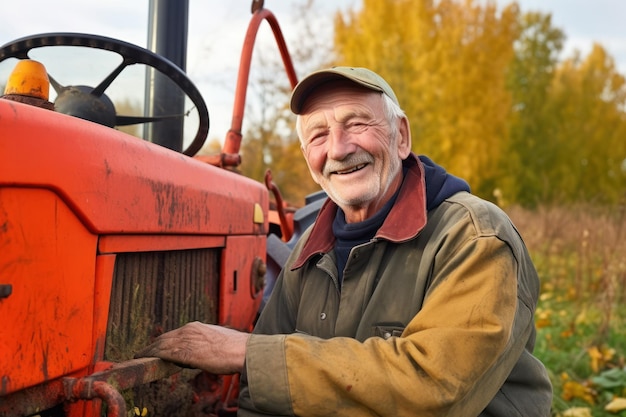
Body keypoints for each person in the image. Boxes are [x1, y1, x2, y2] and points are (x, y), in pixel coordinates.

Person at [136, 66, 553, 416]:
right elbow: (258, 398)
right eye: (318, 135)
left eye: (357, 123)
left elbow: (437, 391)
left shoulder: (474, 236)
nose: (338, 148)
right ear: (307, 156)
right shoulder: (309, 249)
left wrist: (250, 353)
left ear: (401, 136)